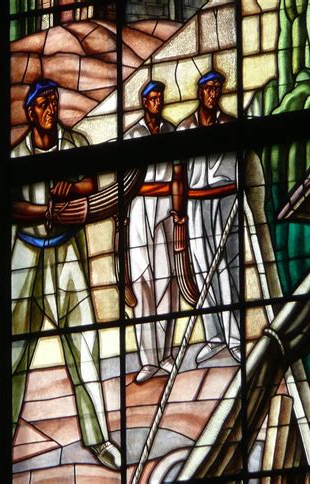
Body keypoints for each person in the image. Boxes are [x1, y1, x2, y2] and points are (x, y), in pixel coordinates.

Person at [0, 79, 120, 482]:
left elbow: (92, 183)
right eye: (43, 103)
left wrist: (73, 186)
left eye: (54, 101)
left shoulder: (73, 144)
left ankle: (99, 439)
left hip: (67, 253)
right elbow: (8, 205)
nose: (50, 108)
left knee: (84, 345)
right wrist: (44, 213)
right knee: (12, 355)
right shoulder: (15, 155)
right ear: (30, 112)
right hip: (27, 253)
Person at [177, 70, 240, 363]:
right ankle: (214, 336)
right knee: (203, 270)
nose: (213, 94)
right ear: (199, 92)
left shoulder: (230, 125)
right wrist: (179, 213)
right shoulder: (184, 129)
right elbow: (179, 172)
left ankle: (235, 338)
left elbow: (238, 169)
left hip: (224, 199)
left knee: (226, 270)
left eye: (217, 88)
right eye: (208, 88)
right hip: (195, 203)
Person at [124, 81, 178, 382]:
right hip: (141, 211)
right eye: (152, 99)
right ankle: (148, 360)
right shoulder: (132, 135)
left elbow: (178, 175)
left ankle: (167, 354)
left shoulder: (171, 132)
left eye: (160, 98)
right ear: (144, 103)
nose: (156, 103)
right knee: (143, 281)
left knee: (167, 282)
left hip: (166, 211)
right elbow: (127, 184)